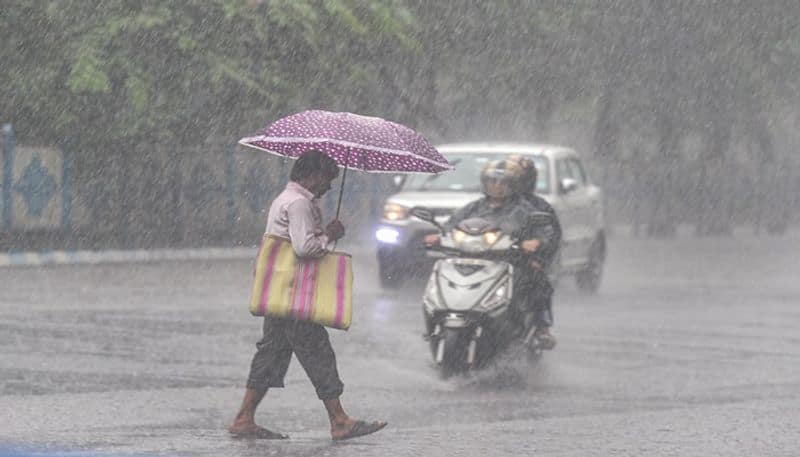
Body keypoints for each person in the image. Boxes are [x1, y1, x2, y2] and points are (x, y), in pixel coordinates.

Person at [229, 149, 387, 441]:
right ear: (312, 176)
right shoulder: (299, 204)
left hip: (282, 293)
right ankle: (339, 420)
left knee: (271, 354)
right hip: (294, 294)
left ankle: (243, 418)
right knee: (317, 352)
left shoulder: (285, 199)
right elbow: (304, 249)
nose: (329, 186)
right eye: (327, 179)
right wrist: (328, 236)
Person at [424, 158, 560, 347]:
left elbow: (545, 232)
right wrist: (439, 236)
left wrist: (535, 242)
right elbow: (451, 225)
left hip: (509, 260)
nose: (497, 187)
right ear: (484, 183)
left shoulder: (525, 209)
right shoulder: (474, 207)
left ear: (514, 185)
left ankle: (540, 328)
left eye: (503, 183)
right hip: (470, 258)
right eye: (492, 182)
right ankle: (441, 313)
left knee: (536, 280)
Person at [506, 155, 562, 349]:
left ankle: (542, 327)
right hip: (492, 257)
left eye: (517, 178)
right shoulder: (488, 203)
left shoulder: (540, 207)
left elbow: (552, 235)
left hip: (524, 261)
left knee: (539, 285)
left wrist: (537, 250)